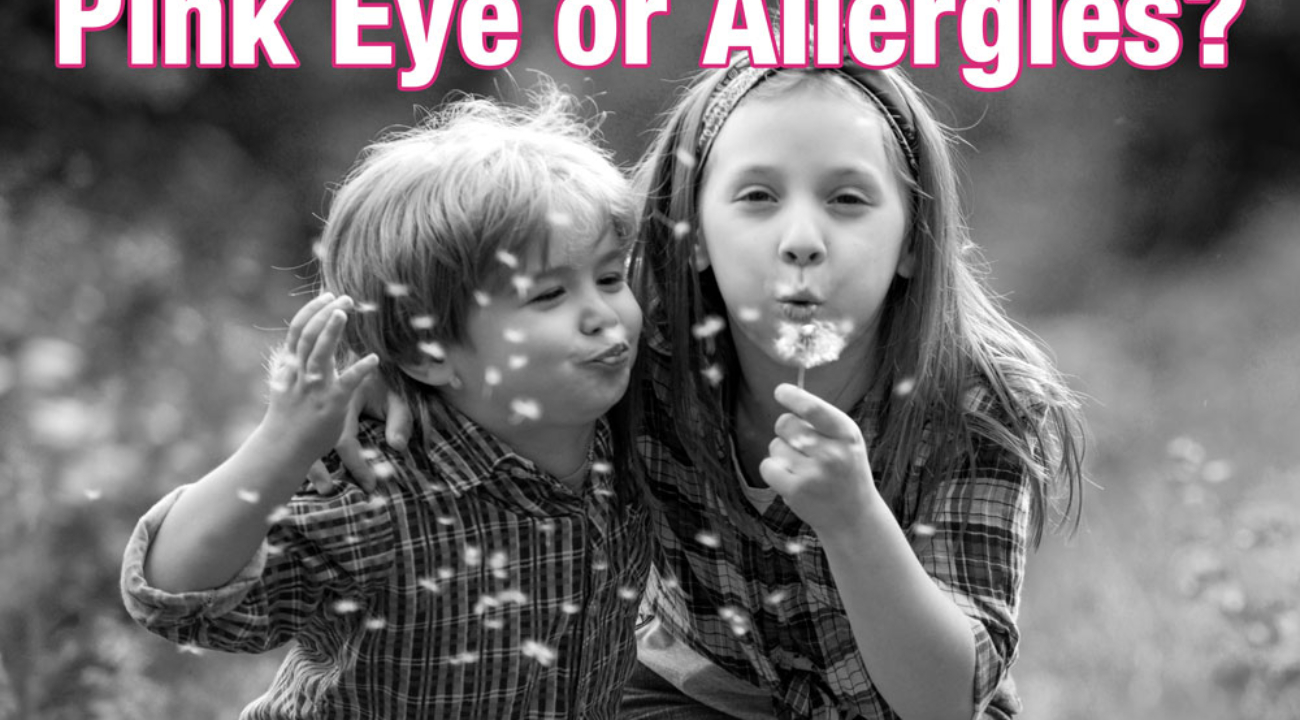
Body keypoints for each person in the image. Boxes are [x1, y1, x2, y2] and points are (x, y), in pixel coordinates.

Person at [348, 56, 1087, 719]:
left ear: (910, 241)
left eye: (849, 200)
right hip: (689, 690)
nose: (801, 238)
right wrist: (398, 382)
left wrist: (854, 518)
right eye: (758, 196)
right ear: (694, 233)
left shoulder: (974, 404)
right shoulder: (644, 355)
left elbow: (945, 702)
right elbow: (494, 357)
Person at [119, 85, 649, 719]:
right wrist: (282, 445)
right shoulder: (377, 492)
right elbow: (176, 600)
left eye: (611, 278)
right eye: (548, 296)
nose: (602, 316)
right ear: (428, 352)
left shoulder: (636, 444)